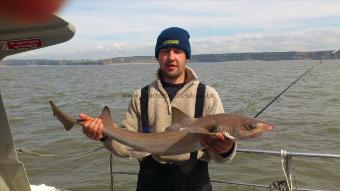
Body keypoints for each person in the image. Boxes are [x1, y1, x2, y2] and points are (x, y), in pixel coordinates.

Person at [80, 27, 237, 191]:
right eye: (165, 51)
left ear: (187, 57)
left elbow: (219, 157)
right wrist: (104, 136)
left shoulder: (208, 95)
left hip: (195, 182)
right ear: (157, 56)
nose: (171, 57)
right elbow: (125, 149)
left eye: (177, 51)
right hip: (150, 181)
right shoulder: (140, 96)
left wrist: (226, 150)